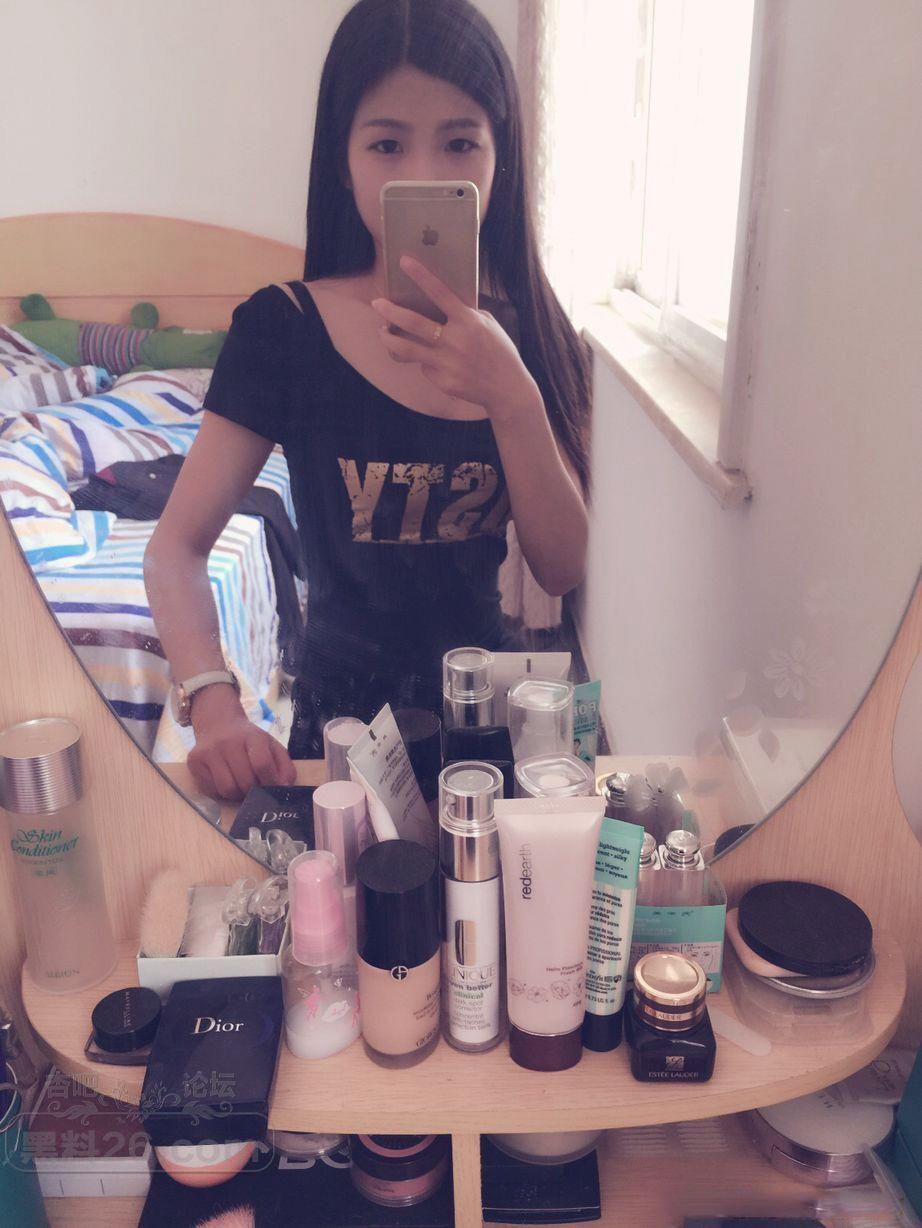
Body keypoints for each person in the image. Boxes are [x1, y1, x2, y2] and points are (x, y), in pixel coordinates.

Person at [144, 0, 591, 801]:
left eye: (460, 142)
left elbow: (560, 569)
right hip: (341, 731)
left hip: (484, 721)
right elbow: (175, 546)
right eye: (387, 144)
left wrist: (514, 398)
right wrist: (213, 705)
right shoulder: (283, 329)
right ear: (342, 160)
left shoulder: (531, 331)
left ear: (502, 156)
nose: (424, 174)